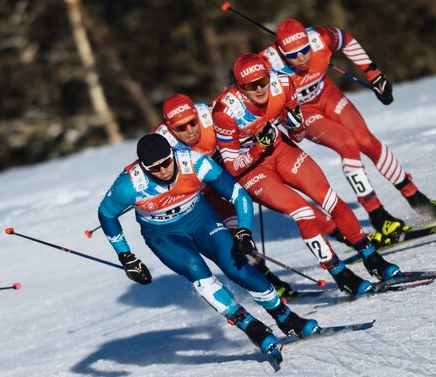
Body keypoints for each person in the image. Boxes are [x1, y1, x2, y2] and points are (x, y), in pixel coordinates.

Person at [97, 133, 319, 356]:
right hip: (162, 234)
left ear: (173, 155)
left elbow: (237, 194)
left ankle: (285, 317)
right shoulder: (129, 185)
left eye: (166, 162)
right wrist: (126, 256)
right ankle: (251, 327)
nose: (163, 170)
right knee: (197, 271)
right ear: (144, 167)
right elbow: (106, 214)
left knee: (235, 265)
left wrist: (243, 230)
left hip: (201, 219)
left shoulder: (194, 162)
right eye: (154, 168)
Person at [212, 53, 403, 298]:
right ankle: (340, 273)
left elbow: (298, 136)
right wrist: (258, 147)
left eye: (263, 81)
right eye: (251, 86)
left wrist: (296, 124)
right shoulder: (224, 112)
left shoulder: (282, 84)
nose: (260, 89)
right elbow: (233, 167)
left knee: (330, 199)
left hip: (280, 150)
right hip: (252, 170)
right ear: (239, 86)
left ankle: (372, 258)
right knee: (303, 212)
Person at [259, 19, 436, 236]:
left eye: (304, 50)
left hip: (325, 93)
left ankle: (417, 199)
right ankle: (377, 215)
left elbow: (346, 40)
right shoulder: (268, 61)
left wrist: (374, 74)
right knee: (346, 141)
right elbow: (240, 85)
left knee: (366, 140)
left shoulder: (320, 38)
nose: (301, 57)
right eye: (292, 55)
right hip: (302, 111)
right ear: (282, 52)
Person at [153, 93, 295, 298]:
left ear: (196, 115)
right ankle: (270, 282)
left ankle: (340, 235)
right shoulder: (162, 142)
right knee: (233, 236)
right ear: (169, 126)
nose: (190, 131)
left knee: (272, 208)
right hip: (200, 196)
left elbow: (240, 128)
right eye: (180, 128)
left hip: (223, 182)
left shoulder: (210, 115)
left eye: (192, 123)